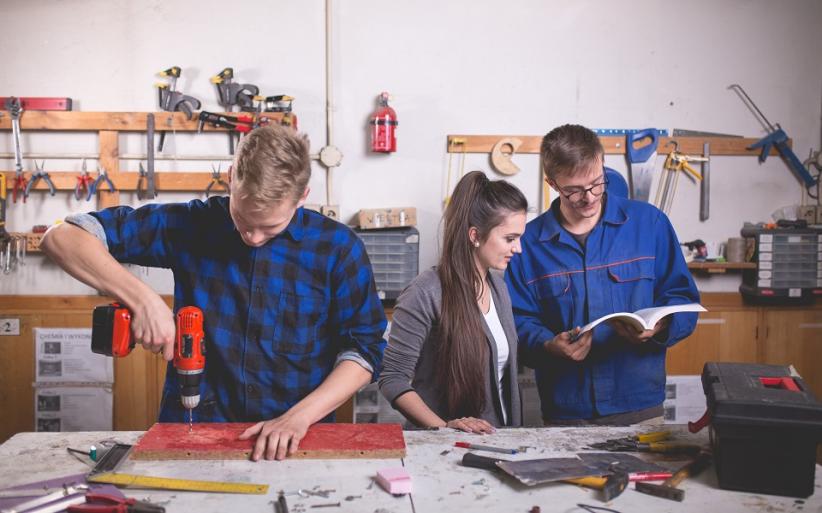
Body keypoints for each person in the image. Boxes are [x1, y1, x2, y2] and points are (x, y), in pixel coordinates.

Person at [41, 125, 387, 460]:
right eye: (242, 219)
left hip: (297, 438)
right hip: (194, 430)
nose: (251, 237)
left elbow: (364, 351)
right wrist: (143, 299)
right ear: (231, 175)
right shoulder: (193, 224)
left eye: (269, 227)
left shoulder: (337, 249)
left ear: (302, 197)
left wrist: (299, 417)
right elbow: (61, 237)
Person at [505, 124, 699, 425]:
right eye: (574, 190)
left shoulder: (650, 224)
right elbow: (517, 321)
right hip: (567, 410)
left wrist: (659, 326)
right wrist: (547, 344)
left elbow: (683, 299)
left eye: (597, 183)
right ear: (552, 183)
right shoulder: (527, 244)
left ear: (603, 166)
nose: (589, 197)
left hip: (640, 403)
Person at [379, 171, 527, 432]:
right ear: (475, 236)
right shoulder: (425, 292)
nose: (518, 249)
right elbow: (392, 379)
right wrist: (445, 428)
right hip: (443, 449)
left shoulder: (499, 288)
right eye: (510, 239)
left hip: (499, 443)